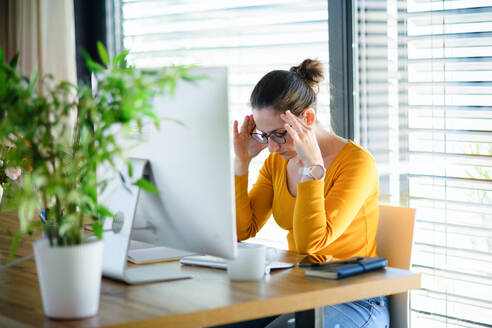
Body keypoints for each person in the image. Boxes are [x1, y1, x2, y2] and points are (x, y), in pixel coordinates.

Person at [232, 59, 390, 328]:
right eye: (265, 135)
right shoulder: (277, 162)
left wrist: (311, 169)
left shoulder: (357, 163)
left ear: (306, 118)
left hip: (355, 299)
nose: (271, 148)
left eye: (279, 134)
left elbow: (310, 244)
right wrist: (241, 163)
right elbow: (241, 230)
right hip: (301, 291)